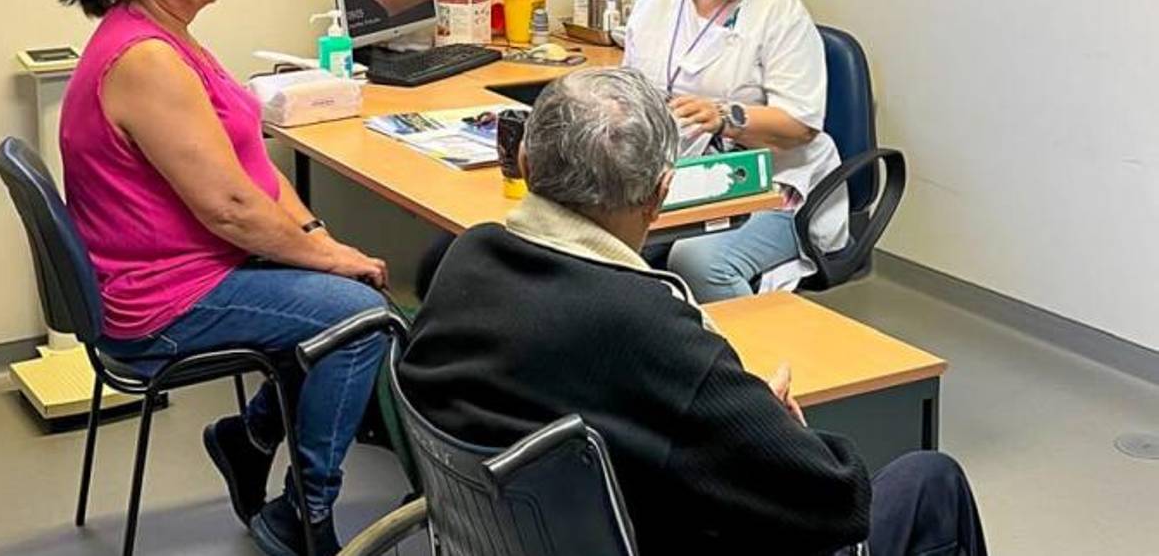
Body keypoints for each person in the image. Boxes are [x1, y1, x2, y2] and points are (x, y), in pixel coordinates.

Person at [399, 67, 987, 555]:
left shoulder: (461, 259)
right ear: (661, 192)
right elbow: (835, 499)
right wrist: (777, 424)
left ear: (525, 164)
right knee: (930, 483)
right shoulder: (652, 332)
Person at [58, 0, 386, 556]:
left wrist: (318, 238)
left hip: (192, 267)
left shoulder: (168, 36)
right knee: (361, 319)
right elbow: (230, 208)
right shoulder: (145, 60)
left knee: (342, 294)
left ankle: (249, 437)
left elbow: (251, 171)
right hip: (160, 302)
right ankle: (301, 512)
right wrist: (332, 261)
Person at [624, 0, 849, 302]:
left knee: (699, 261)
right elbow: (631, 92)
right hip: (684, 177)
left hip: (775, 185)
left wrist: (723, 117)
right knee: (602, 242)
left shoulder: (778, 13)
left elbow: (800, 124)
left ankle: (745, 368)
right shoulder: (656, 5)